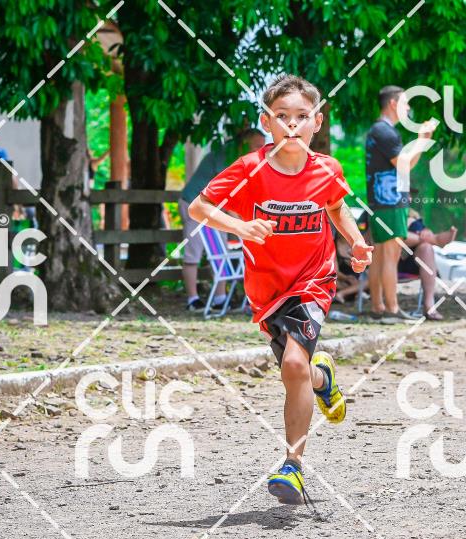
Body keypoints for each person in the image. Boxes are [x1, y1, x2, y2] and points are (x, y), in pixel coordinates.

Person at [189, 74, 372, 505]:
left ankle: (293, 466)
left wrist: (356, 241)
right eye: (282, 116)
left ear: (317, 123)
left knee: (292, 362)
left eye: (302, 116)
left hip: (313, 281)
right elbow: (199, 207)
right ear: (266, 122)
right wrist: (241, 227)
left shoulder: (326, 168)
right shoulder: (249, 169)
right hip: (267, 290)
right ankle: (323, 377)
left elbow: (336, 207)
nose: (292, 124)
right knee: (298, 371)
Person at [365, 85, 436, 322]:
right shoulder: (385, 131)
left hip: (381, 200)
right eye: (406, 103)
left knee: (380, 254)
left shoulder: (380, 130)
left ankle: (377, 306)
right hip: (390, 201)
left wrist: (422, 141)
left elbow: (406, 164)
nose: (409, 108)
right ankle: (392, 309)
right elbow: (403, 163)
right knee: (390, 254)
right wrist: (422, 139)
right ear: (393, 104)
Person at [179, 129, 266, 311]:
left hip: (215, 209)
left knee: (219, 251)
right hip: (194, 203)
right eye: (258, 146)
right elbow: (227, 194)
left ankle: (220, 299)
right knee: (193, 253)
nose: (262, 150)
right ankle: (192, 300)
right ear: (245, 144)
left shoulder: (246, 160)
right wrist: (241, 224)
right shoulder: (225, 156)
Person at [398, 210, 457, 320]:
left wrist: (425, 231)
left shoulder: (412, 217)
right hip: (383, 261)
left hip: (409, 262)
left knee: (426, 247)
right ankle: (435, 239)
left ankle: (429, 305)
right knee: (393, 233)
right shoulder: (378, 210)